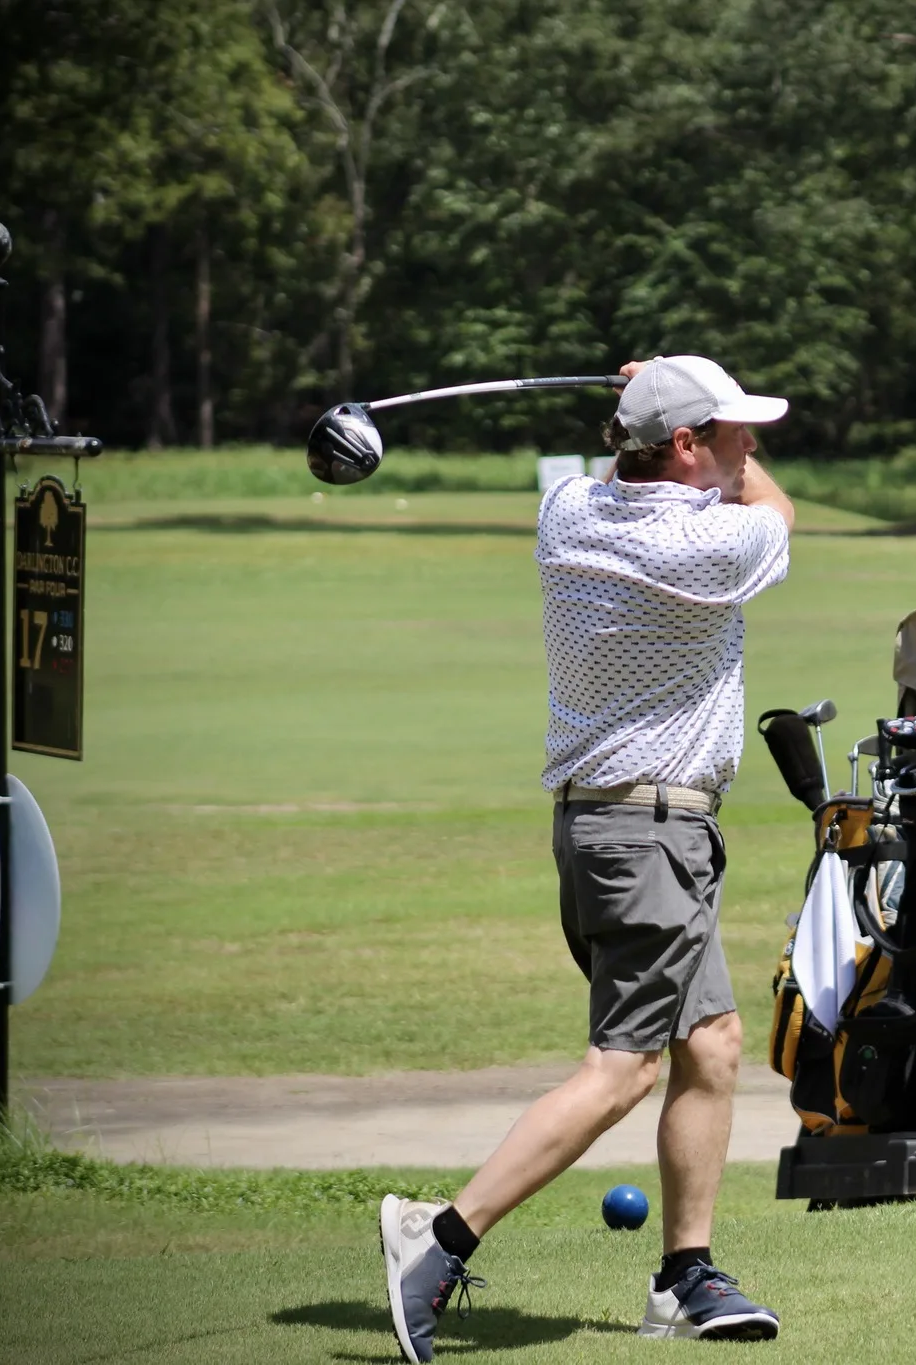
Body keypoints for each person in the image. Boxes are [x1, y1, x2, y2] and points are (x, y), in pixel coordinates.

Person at [379, 355, 797, 1361]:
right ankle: (435, 1241)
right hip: (647, 840)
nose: (753, 446)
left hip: (613, 833)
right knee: (621, 1069)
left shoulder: (566, 510)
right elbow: (775, 510)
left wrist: (653, 405)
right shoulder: (706, 543)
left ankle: (684, 1273)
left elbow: (637, 468)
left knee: (713, 1046)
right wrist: (670, 404)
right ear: (689, 446)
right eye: (735, 430)